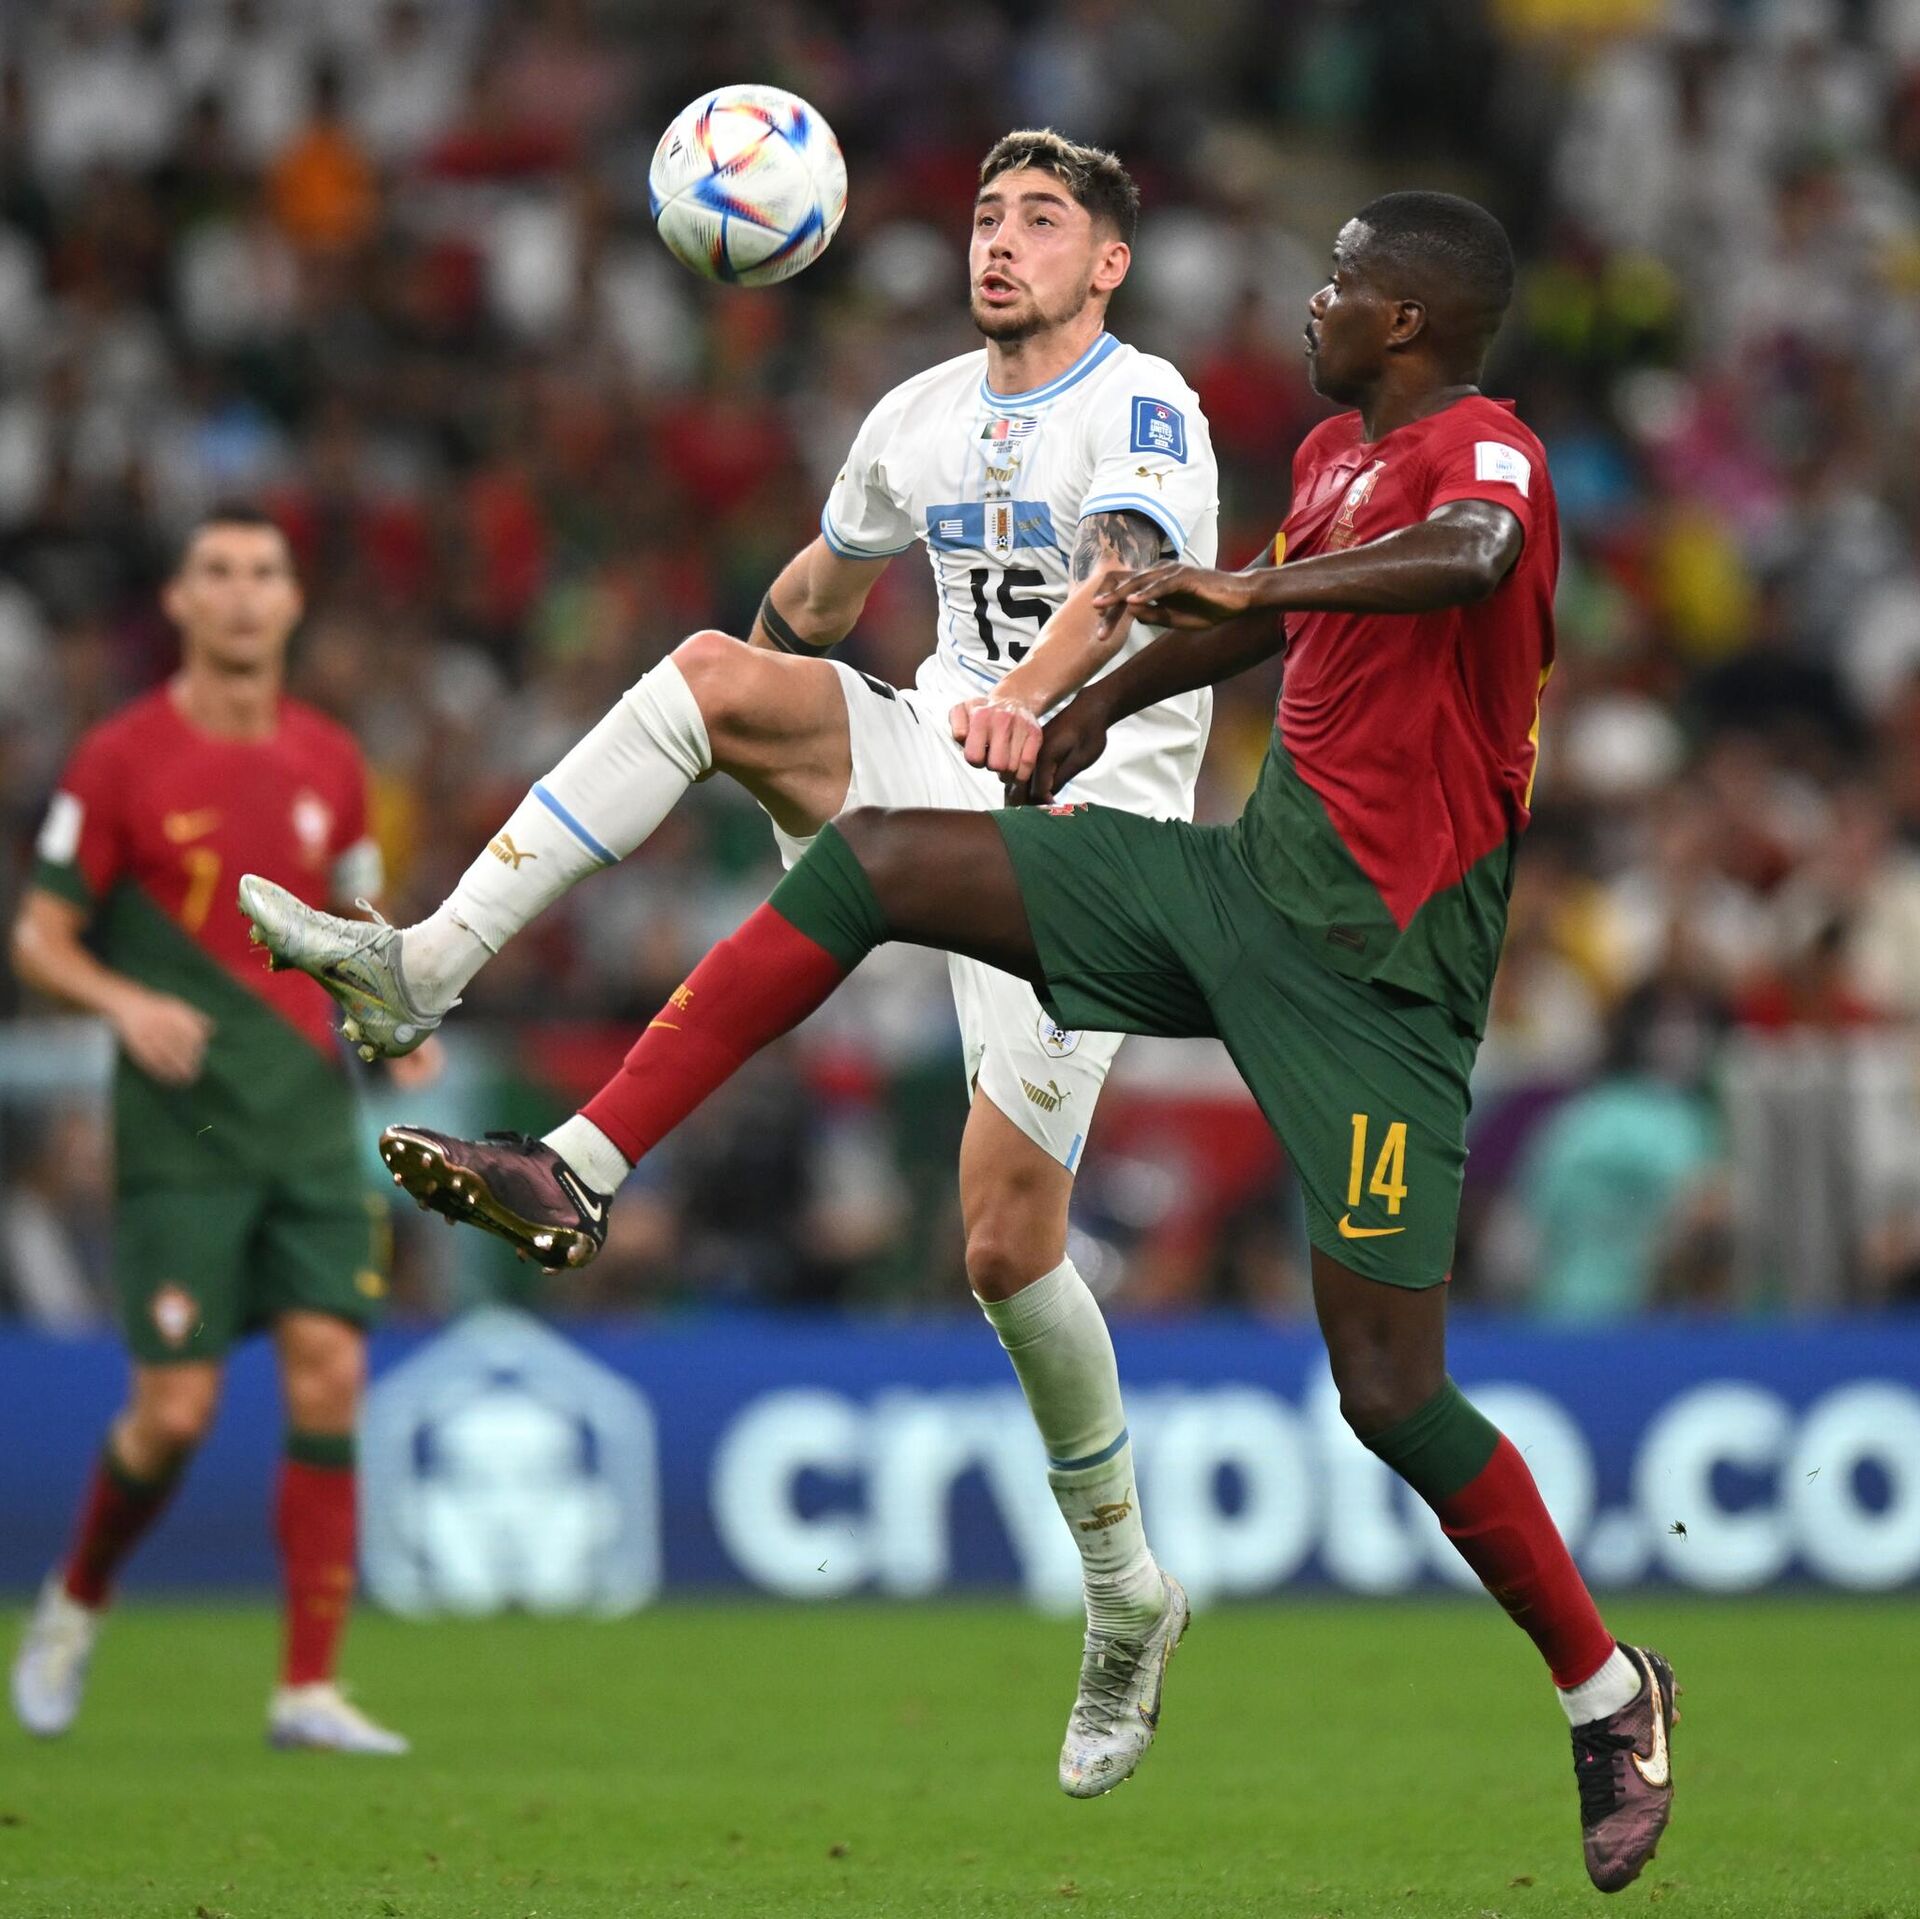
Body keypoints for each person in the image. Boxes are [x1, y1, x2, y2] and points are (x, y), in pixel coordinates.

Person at [364, 192, 1679, 1889]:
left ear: (1415, 316)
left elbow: (1475, 563)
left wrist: (1237, 578)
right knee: (884, 859)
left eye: (1344, 278)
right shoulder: (1340, 471)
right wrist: (1072, 723)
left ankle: (1605, 1686)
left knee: (1391, 1389)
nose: (1315, 300)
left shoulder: (1483, 451)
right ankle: (575, 1160)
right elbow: (1243, 623)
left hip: (1383, 977)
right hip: (1240, 889)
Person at [242, 128, 1220, 1797]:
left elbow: (1127, 582)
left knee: (1001, 1241)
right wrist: (748, 731)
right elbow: (812, 600)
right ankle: (422, 966)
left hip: (1090, 824)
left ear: (1106, 262)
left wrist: (1025, 700)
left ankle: (1127, 1587)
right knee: (706, 668)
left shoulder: (1146, 405)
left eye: (1042, 221)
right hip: (933, 758)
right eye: (984, 214)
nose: (1002, 242)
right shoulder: (913, 416)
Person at [9, 505, 431, 1754]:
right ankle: (78, 1596)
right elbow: (36, 933)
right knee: (175, 1412)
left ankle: (308, 1684)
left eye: (264, 574)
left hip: (307, 1118)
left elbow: (361, 926)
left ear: (293, 604)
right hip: (181, 1132)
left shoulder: (332, 761)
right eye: (217, 574)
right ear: (181, 603)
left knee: (333, 1371)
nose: (243, 594)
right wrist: (126, 1000)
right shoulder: (120, 758)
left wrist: (399, 1026)